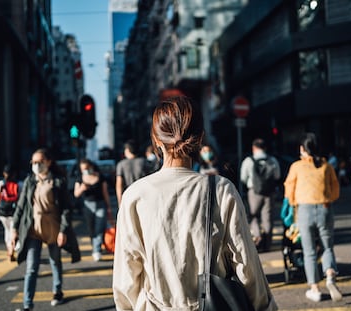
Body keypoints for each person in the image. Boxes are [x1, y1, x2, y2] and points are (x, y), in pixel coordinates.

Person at [113, 96, 277, 311]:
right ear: (200, 138)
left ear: (156, 140)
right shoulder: (220, 189)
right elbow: (246, 264)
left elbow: (126, 278)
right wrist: (265, 307)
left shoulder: (135, 195)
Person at [11, 148, 80, 311]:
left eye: (40, 162)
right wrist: (14, 228)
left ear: (48, 162)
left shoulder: (57, 181)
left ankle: (57, 292)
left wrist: (63, 230)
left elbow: (66, 208)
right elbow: (21, 206)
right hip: (33, 228)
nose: (36, 165)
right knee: (31, 267)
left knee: (55, 262)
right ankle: (27, 304)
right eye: (33, 162)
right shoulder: (29, 181)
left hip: (54, 228)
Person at [284, 132, 342, 302]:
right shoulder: (326, 165)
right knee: (327, 246)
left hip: (304, 209)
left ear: (302, 149)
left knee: (309, 251)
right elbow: (335, 189)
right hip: (324, 208)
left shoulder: (296, 166)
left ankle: (315, 289)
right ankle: (330, 275)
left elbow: (289, 190)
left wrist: (295, 203)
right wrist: (328, 199)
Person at [240, 138, 280, 251]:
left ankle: (257, 236)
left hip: (254, 191)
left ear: (253, 148)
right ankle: (267, 244)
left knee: (253, 216)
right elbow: (277, 176)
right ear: (265, 148)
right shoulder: (272, 160)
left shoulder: (249, 160)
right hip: (269, 192)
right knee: (267, 217)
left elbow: (243, 178)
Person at [74, 158, 114, 262]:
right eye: (83, 169)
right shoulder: (80, 178)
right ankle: (95, 247)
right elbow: (76, 194)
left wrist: (109, 207)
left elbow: (105, 193)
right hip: (88, 206)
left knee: (99, 229)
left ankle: (97, 250)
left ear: (91, 166)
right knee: (91, 229)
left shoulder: (100, 177)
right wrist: (82, 188)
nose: (85, 170)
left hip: (101, 205)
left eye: (87, 168)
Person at [0, 164, 19, 261]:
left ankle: (10, 250)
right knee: (14, 232)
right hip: (14, 212)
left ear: (4, 173)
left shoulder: (0, 184)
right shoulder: (19, 184)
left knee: (7, 231)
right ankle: (11, 251)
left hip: (3, 212)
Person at [115, 139, 146, 205]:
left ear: (127, 150)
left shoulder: (121, 164)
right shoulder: (144, 162)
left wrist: (120, 203)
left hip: (128, 196)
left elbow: (119, 185)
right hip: (143, 195)